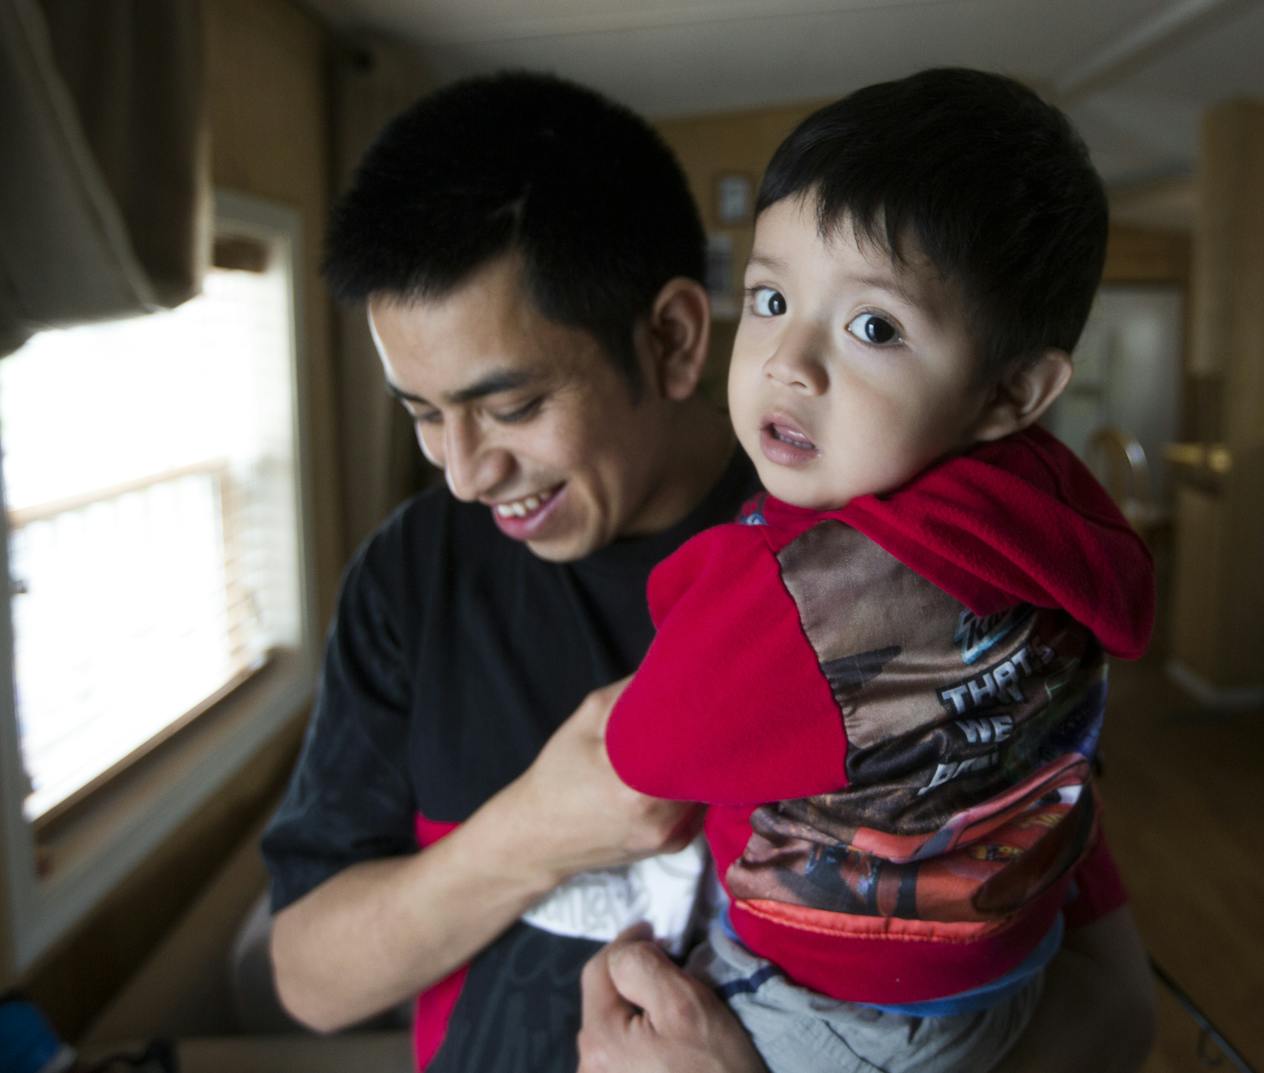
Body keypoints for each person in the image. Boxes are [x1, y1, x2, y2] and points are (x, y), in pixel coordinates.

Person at [260, 70, 1154, 1073]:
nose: (464, 473)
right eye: (422, 413)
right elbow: (310, 977)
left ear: (674, 337)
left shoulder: (911, 560)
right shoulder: (408, 573)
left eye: (508, 407)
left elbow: (1113, 1006)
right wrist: (531, 834)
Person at [604, 68, 1154, 1073]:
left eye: (873, 327)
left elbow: (643, 749)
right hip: (1001, 963)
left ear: (1009, 389)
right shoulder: (1047, 503)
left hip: (828, 1007)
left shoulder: (821, 595)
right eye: (770, 298)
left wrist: (733, 573)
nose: (787, 360)